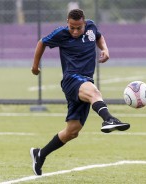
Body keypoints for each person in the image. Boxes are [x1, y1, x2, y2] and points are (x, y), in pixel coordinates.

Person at [30, 9, 130, 176]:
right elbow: (42, 42)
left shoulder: (91, 27)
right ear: (67, 23)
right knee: (94, 92)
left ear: (84, 23)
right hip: (71, 79)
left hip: (85, 80)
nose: (75, 31)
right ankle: (109, 119)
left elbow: (98, 36)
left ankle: (40, 154)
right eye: (72, 28)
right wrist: (35, 66)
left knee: (72, 131)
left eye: (79, 28)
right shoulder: (60, 33)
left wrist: (105, 49)